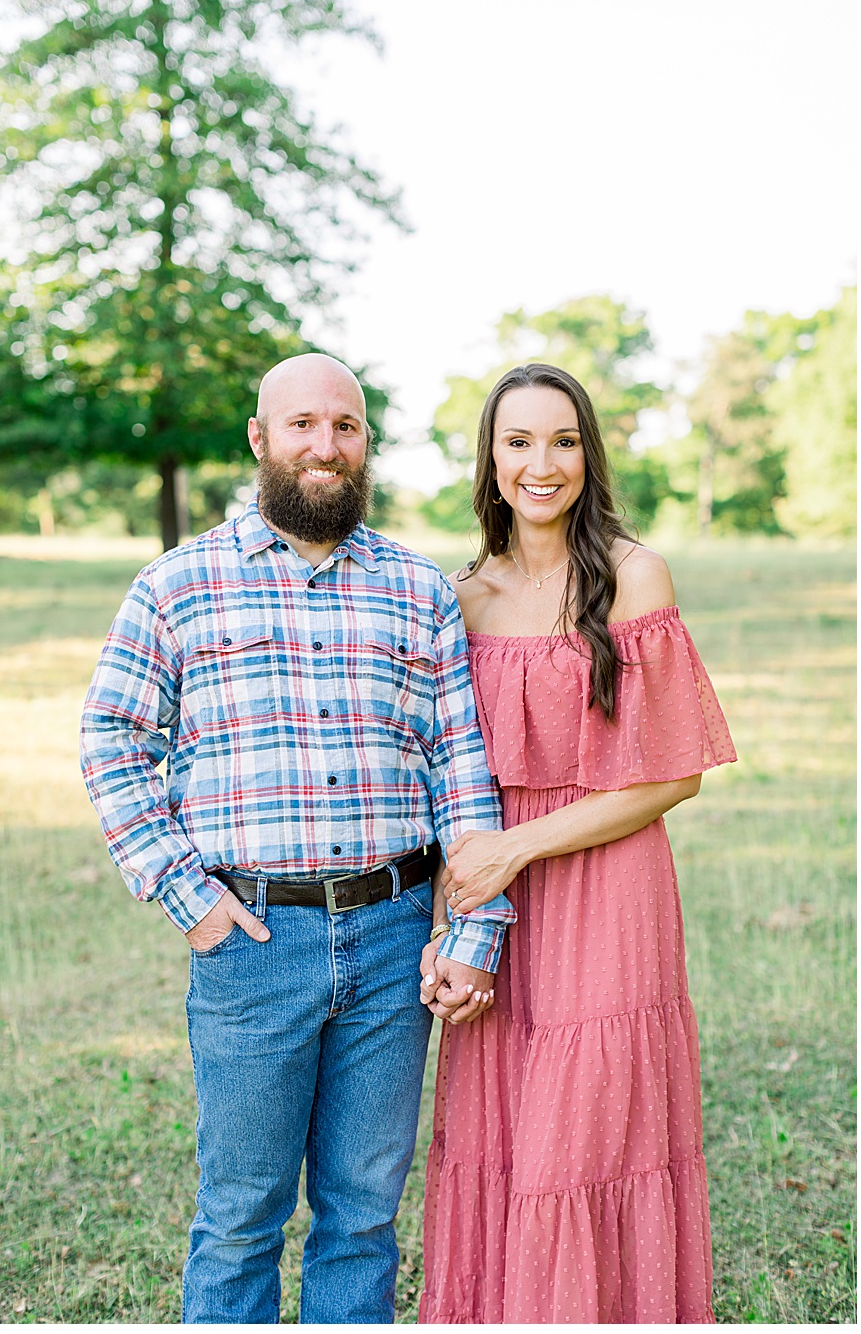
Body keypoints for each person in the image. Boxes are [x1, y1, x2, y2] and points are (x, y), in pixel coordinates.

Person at [81, 352, 512, 1324]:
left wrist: (476, 929)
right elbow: (111, 736)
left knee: (362, 1220)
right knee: (240, 1218)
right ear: (260, 440)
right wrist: (188, 898)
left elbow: (462, 765)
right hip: (253, 945)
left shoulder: (418, 588)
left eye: (346, 426)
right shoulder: (177, 586)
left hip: (399, 934)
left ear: (365, 442)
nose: (326, 444)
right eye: (304, 424)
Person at [416, 363, 735, 1324]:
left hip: (609, 889)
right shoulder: (462, 595)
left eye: (562, 441)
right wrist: (452, 919)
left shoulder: (635, 576)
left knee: (590, 1141)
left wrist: (520, 849)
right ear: (492, 460)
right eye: (519, 442)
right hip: (499, 906)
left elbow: (671, 772)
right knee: (501, 1135)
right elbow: (450, 782)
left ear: (588, 455)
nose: (541, 464)